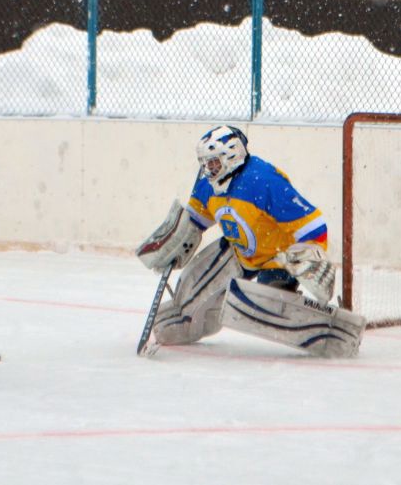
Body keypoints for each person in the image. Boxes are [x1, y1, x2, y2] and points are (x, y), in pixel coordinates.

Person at [136, 125, 365, 357]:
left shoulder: (263, 181)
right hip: (239, 253)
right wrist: (176, 240)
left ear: (232, 155)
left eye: (213, 162)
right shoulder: (207, 184)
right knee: (188, 292)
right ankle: (187, 319)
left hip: (277, 259)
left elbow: (313, 225)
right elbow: (195, 221)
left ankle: (332, 331)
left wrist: (309, 255)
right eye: (205, 163)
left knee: (255, 306)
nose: (208, 169)